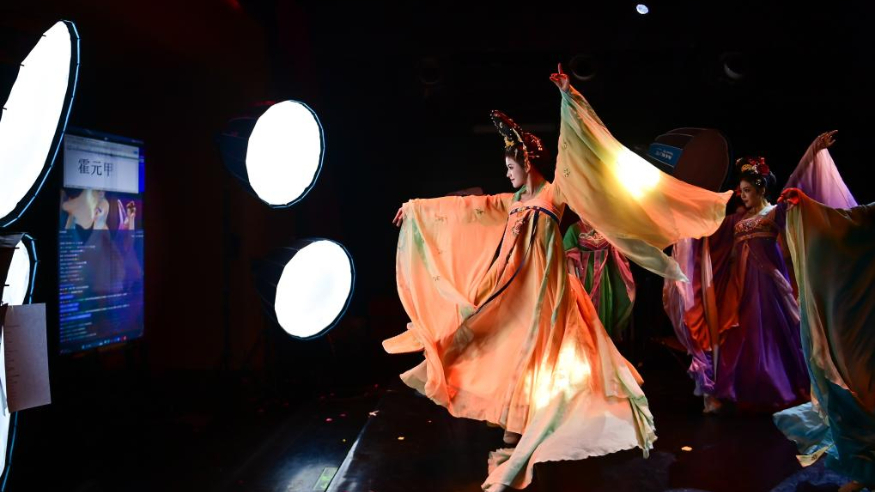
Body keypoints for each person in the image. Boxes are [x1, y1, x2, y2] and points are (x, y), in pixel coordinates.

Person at [385, 65, 731, 491]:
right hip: (511, 291)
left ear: (527, 162)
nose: (507, 172)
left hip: (547, 293)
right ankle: (514, 424)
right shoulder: (511, 200)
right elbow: (466, 207)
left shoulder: (554, 193)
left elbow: (575, 144)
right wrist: (416, 207)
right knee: (500, 349)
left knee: (543, 360)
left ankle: (531, 427)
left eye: (510, 164)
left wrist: (569, 97)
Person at [772, 132, 873, 492]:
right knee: (856, 381)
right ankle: (863, 469)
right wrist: (807, 206)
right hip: (860, 310)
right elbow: (849, 221)